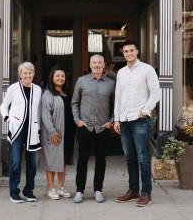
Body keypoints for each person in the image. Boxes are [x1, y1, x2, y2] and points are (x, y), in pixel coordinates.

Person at [114, 41, 160, 207]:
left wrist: (146, 110)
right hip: (125, 120)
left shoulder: (147, 69)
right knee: (130, 157)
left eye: (131, 50)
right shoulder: (121, 72)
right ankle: (133, 190)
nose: (129, 53)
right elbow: (118, 97)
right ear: (123, 53)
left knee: (143, 157)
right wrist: (117, 119)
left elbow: (156, 93)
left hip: (140, 119)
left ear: (137, 51)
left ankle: (146, 193)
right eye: (126, 51)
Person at [71, 54, 115, 203]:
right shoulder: (81, 81)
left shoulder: (111, 83)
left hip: (102, 127)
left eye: (99, 63)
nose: (97, 65)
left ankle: (98, 190)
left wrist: (111, 121)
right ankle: (79, 190)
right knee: (82, 159)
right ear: (90, 64)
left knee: (101, 160)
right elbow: (74, 103)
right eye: (94, 62)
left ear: (104, 65)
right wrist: (77, 120)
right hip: (85, 127)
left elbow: (116, 105)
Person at [0, 62, 41, 203]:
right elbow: (3, 106)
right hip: (17, 129)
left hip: (32, 130)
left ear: (33, 74)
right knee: (15, 162)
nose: (27, 75)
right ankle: (14, 192)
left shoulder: (38, 89)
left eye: (30, 73)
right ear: (20, 75)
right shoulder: (13, 88)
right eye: (25, 73)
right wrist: (7, 119)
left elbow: (38, 111)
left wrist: (39, 129)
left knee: (32, 163)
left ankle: (29, 191)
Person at [41, 67, 75, 200]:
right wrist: (52, 131)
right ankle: (50, 189)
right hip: (54, 133)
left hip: (68, 133)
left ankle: (61, 188)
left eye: (62, 76)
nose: (60, 78)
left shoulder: (67, 93)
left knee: (63, 161)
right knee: (51, 161)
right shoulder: (48, 94)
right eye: (57, 76)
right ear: (52, 78)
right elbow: (45, 115)